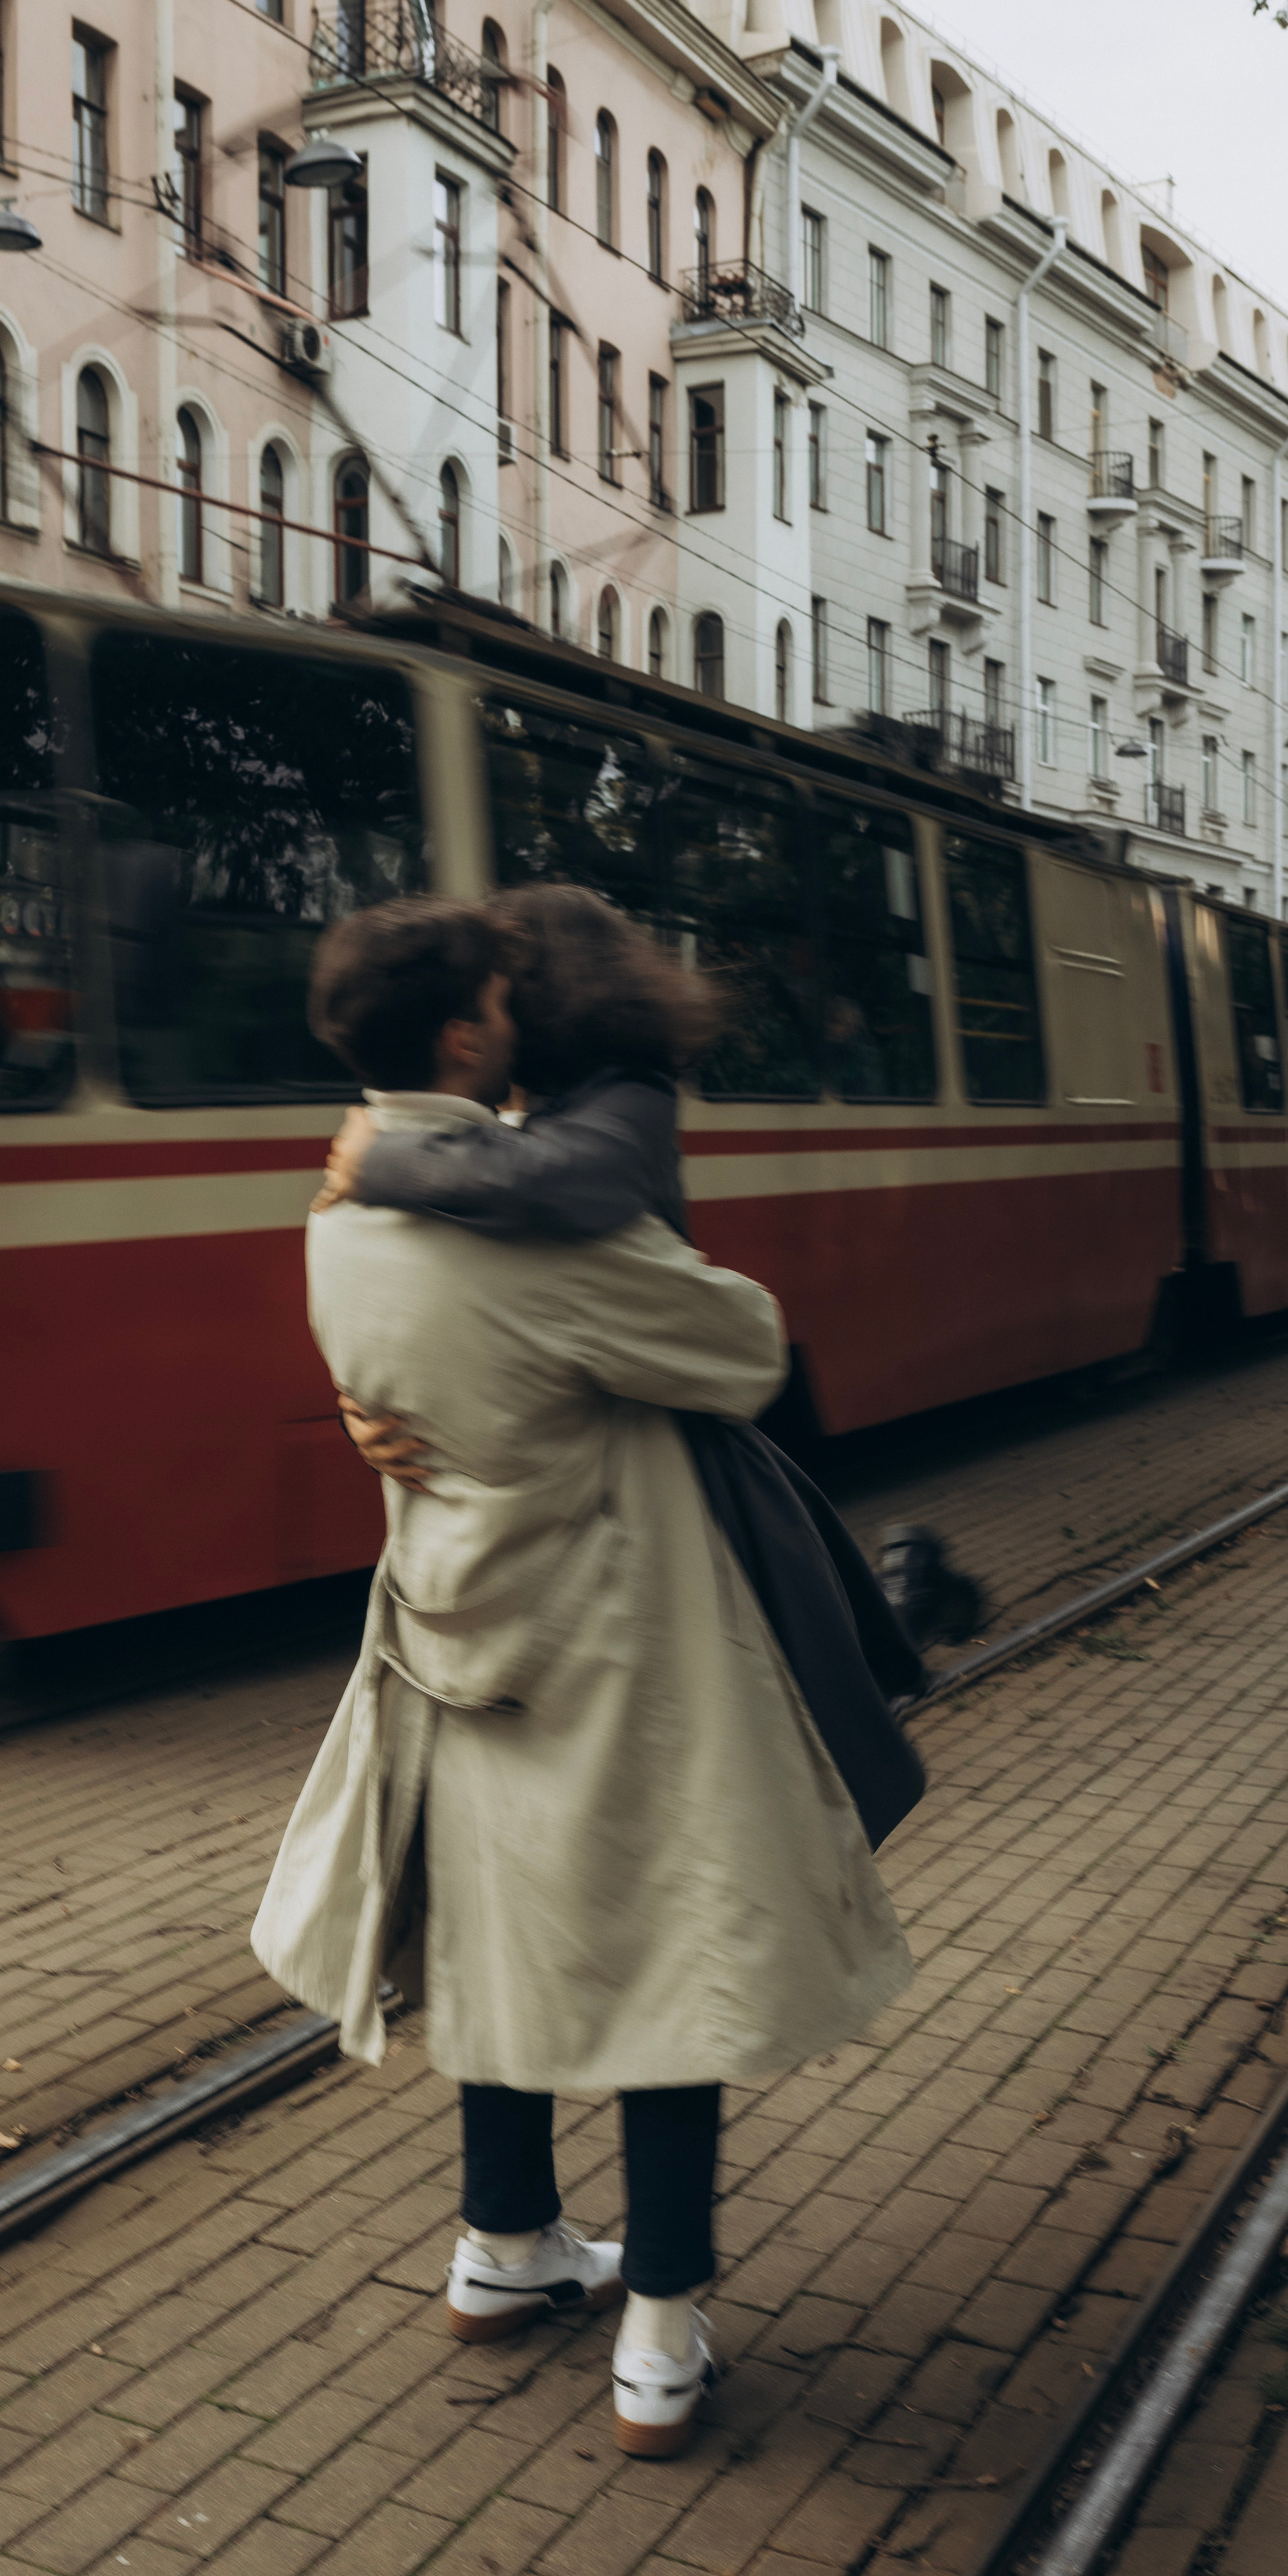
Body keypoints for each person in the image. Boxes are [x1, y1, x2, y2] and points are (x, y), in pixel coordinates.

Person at [252, 895, 912, 2457]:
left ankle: (503, 2244)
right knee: (669, 1959)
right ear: (466, 1036)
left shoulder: (337, 1213)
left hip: (454, 1631)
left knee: (501, 1952)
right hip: (622, 1647)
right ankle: (660, 2336)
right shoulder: (540, 1243)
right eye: (501, 1000)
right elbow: (740, 1347)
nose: (518, 1017)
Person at [320, 882, 929, 1849]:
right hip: (595, 1470)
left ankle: (896, 1645)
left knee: (795, 1696)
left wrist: (382, 1165)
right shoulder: (521, 1119)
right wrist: (372, 1398)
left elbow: (559, 1186)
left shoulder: (625, 1095)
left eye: (507, 983)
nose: (499, 1003)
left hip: (669, 1436)